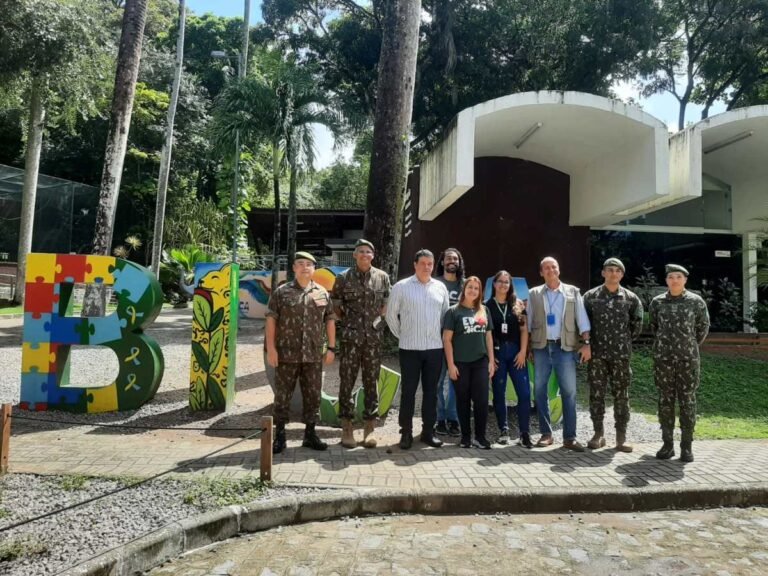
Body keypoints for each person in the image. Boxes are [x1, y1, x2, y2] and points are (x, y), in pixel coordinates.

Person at [266, 252, 336, 454]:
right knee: (282, 396)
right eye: (300, 263)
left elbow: (330, 320)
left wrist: (331, 348)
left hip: (313, 355)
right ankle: (280, 436)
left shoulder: (322, 293)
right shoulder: (281, 292)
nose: (305, 267)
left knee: (313, 395)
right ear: (294, 268)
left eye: (309, 264)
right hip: (286, 354)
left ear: (314, 269)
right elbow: (271, 320)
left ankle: (310, 435)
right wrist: (271, 349)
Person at [386, 249, 450, 449]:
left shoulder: (440, 288)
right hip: (409, 349)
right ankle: (405, 432)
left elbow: (445, 317)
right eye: (422, 263)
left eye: (430, 264)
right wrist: (403, 335)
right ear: (415, 264)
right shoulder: (401, 287)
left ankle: (428, 432)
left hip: (434, 349)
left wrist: (438, 337)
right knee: (409, 392)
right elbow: (391, 315)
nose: (426, 267)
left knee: (431, 392)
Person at [330, 239, 391, 449]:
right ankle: (346, 427)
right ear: (355, 255)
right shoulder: (343, 278)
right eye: (361, 251)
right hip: (351, 340)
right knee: (347, 381)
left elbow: (386, 304)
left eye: (368, 251)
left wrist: (376, 324)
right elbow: (336, 306)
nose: (365, 254)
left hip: (373, 340)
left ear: (373, 256)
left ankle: (369, 426)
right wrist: (349, 323)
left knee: (371, 382)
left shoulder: (382, 277)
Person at [527, 256, 591, 451]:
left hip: (565, 348)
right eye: (546, 268)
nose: (550, 270)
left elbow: (582, 319)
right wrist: (528, 347)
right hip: (541, 347)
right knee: (540, 391)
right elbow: (528, 322)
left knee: (569, 392)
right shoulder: (534, 293)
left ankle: (570, 437)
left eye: (553, 266)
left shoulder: (573, 292)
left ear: (559, 269)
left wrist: (587, 343)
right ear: (541, 273)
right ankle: (546, 434)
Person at [649, 264, 710, 463]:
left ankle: (687, 447)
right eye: (671, 277)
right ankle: (667, 445)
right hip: (663, 359)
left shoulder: (696, 302)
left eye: (678, 276)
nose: (674, 280)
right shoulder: (657, 302)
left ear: (685, 279)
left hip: (687, 360)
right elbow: (654, 327)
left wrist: (687, 345)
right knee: (665, 401)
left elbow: (702, 328)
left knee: (687, 401)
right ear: (666, 280)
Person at [583, 258, 644, 452]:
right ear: (603, 273)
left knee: (621, 396)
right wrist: (587, 344)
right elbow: (583, 323)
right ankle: (598, 434)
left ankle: (621, 437)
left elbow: (637, 324)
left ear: (622, 275)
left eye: (617, 271)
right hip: (597, 355)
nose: (613, 273)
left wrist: (622, 341)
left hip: (621, 356)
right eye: (609, 270)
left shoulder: (631, 298)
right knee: (596, 395)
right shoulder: (590, 297)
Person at [443, 276, 496, 449]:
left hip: (480, 362)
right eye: (470, 287)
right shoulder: (453, 311)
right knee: (463, 400)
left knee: (481, 400)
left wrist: (491, 361)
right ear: (464, 289)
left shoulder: (484, 310)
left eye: (476, 288)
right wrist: (451, 365)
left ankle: (480, 437)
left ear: (480, 292)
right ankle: (465, 437)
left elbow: (488, 337)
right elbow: (447, 339)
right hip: (460, 363)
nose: (473, 290)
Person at [486, 270, 532, 448]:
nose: (503, 285)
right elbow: (485, 334)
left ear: (510, 285)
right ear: (494, 284)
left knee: (524, 393)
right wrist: (491, 358)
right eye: (500, 281)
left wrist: (522, 352)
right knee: (499, 393)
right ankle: (503, 431)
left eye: (506, 282)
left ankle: (524, 433)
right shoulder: (486, 306)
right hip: (497, 354)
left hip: (515, 353)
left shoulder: (518, 304)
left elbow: (524, 329)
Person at [433, 248, 465, 436]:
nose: (452, 261)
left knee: (456, 380)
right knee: (437, 381)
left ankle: (453, 419)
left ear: (459, 262)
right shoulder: (435, 283)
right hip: (437, 340)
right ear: (442, 262)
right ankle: (439, 419)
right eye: (448, 258)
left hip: (459, 341)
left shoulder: (465, 285)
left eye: (455, 258)